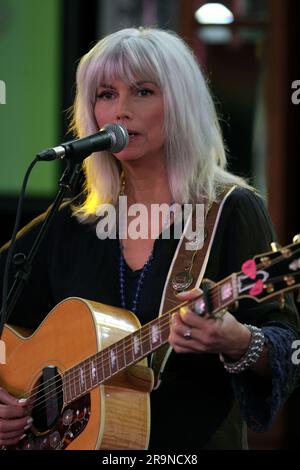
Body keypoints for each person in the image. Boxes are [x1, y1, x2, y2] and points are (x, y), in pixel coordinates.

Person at [0, 26, 299, 450]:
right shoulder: (69, 226)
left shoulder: (230, 211)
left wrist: (239, 341)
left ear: (180, 105)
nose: (121, 110)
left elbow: (289, 347)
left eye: (142, 92)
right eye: (106, 94)